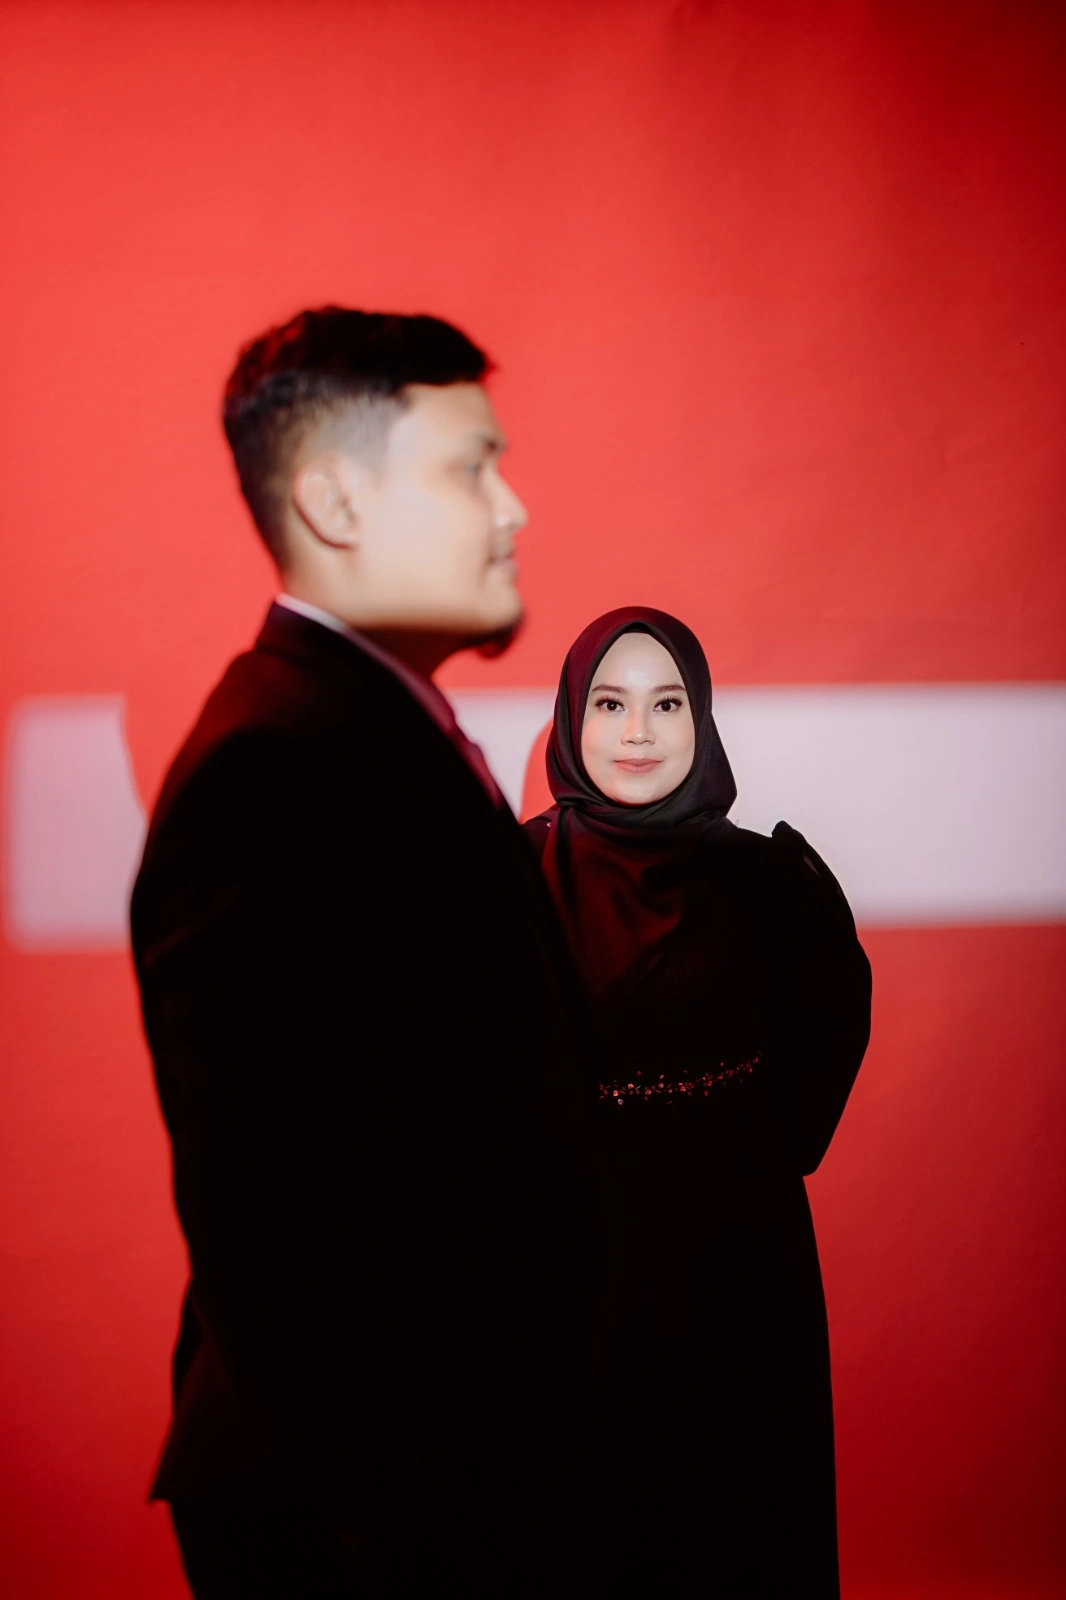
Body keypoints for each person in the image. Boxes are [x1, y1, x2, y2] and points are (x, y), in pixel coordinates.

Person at [130, 308, 598, 1597]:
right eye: (470, 466)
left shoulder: (369, 734)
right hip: (370, 1519)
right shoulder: (274, 767)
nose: (512, 508)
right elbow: (270, 1220)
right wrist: (409, 1517)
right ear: (334, 501)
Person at [524, 606, 872, 1599]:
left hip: (740, 1266)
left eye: (667, 704)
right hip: (570, 1272)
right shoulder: (512, 878)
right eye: (609, 704)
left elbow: (825, 1034)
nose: (637, 732)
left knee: (740, 1525)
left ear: (702, 717)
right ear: (572, 720)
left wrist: (739, 1152)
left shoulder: (767, 880)